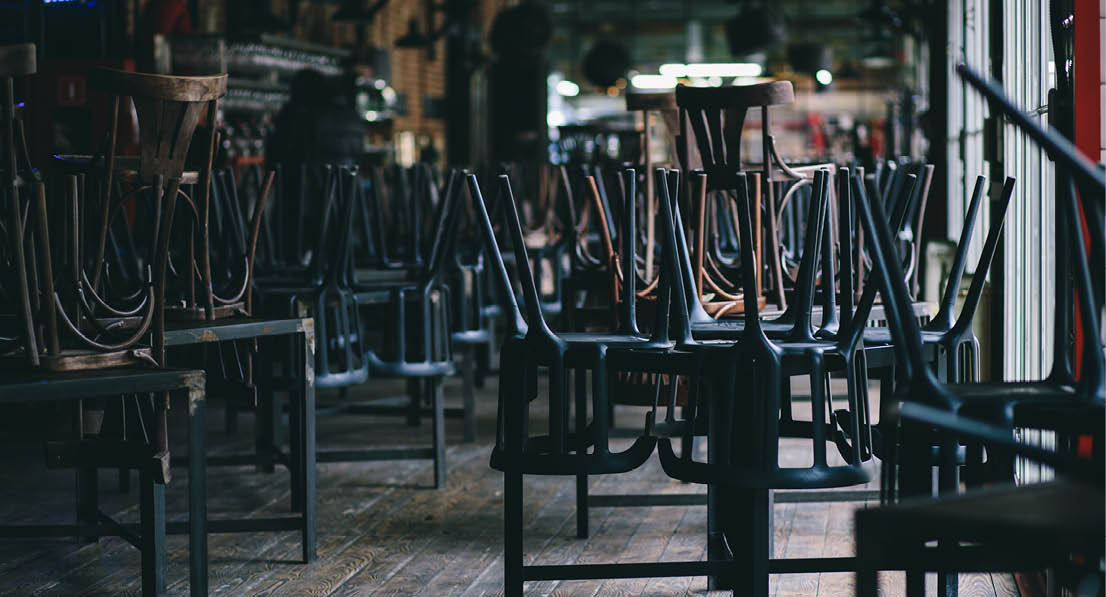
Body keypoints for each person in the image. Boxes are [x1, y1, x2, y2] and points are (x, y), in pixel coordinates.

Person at [268, 69, 364, 166]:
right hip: (347, 177)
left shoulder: (306, 116)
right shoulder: (352, 115)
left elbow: (284, 152)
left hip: (313, 177)